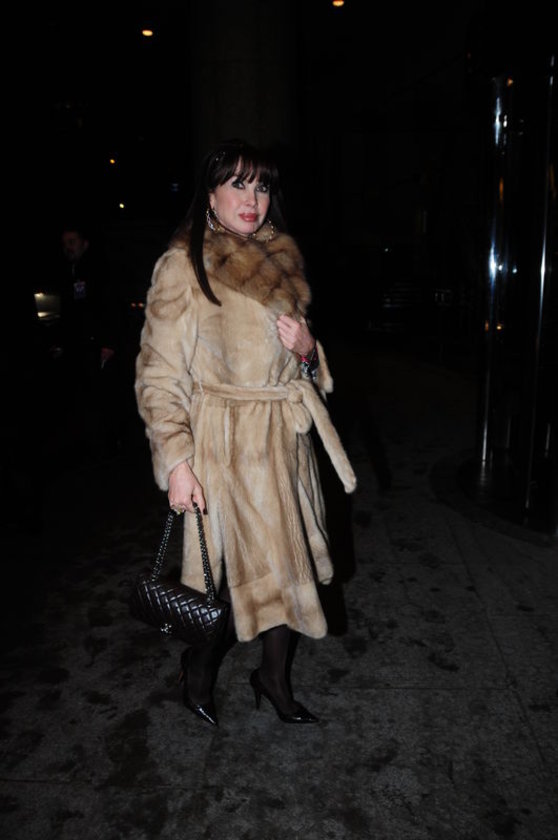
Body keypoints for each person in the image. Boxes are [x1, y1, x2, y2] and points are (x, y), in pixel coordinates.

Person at [135, 139, 356, 726]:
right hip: (222, 446)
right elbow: (158, 374)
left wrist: (308, 351)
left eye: (261, 185)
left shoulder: (280, 256)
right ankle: (197, 670)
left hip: (282, 441)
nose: (252, 198)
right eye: (237, 183)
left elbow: (302, 367)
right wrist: (176, 461)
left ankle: (273, 680)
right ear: (210, 195)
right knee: (224, 583)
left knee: (288, 569)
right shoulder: (183, 266)